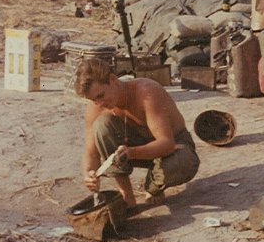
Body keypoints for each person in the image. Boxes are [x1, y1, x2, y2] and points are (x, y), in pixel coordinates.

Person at [75, 58, 200, 209]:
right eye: (93, 99)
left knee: (183, 163)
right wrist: (89, 173)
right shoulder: (96, 107)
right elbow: (91, 153)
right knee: (102, 125)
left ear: (113, 80)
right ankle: (127, 195)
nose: (99, 103)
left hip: (173, 147)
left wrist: (131, 153)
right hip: (134, 147)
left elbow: (166, 143)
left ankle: (153, 187)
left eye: (100, 96)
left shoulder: (146, 92)